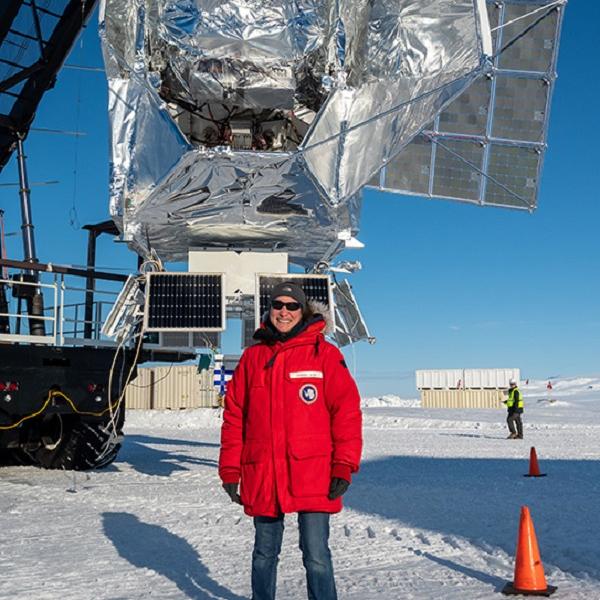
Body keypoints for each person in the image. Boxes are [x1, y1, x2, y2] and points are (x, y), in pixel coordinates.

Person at [219, 281, 362, 600]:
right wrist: (230, 470)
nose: (284, 312)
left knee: (317, 558)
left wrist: (343, 465)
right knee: (263, 555)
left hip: (313, 473)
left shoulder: (325, 354)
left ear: (303, 310)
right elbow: (234, 419)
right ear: (270, 310)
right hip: (264, 473)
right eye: (278, 305)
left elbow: (346, 412)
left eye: (292, 306)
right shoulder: (253, 358)